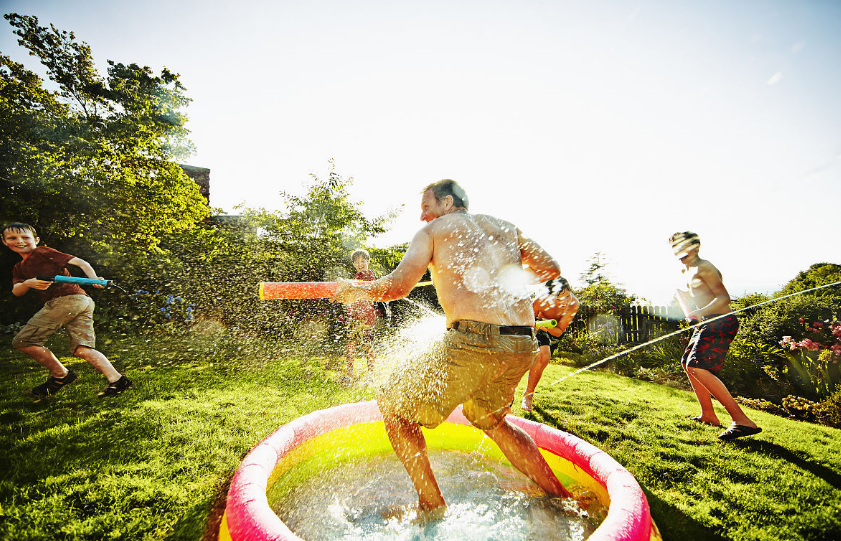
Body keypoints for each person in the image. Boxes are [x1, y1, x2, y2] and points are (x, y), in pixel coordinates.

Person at [333, 179, 571, 513]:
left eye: (426, 207)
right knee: (493, 421)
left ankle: (431, 506)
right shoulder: (505, 228)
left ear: (447, 203)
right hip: (522, 342)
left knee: (392, 405)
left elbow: (399, 286)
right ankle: (562, 498)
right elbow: (550, 270)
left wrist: (358, 289)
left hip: (475, 340)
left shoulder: (433, 232)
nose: (422, 217)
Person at [2, 222, 132, 399]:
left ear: (36, 240)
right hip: (82, 301)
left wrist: (94, 279)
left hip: (67, 301)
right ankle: (117, 380)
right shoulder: (19, 267)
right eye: (12, 238)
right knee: (81, 349)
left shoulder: (41, 252)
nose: (20, 241)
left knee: (23, 341)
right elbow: (17, 291)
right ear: (4, 242)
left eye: (25, 237)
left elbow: (81, 262)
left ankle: (61, 375)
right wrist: (27, 283)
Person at [669, 231, 760, 441]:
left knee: (697, 366)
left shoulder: (705, 267)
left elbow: (723, 298)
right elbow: (699, 296)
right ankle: (708, 415)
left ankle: (741, 420)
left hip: (721, 321)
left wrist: (700, 313)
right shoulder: (686, 270)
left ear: (694, 246)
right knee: (688, 364)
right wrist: (686, 301)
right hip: (707, 322)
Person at [521, 276, 579, 412]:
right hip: (538, 324)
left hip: (554, 330)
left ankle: (528, 391)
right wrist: (538, 324)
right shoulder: (539, 302)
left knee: (543, 360)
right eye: (559, 299)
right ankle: (527, 396)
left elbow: (559, 331)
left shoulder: (573, 304)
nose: (565, 302)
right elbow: (528, 322)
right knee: (543, 355)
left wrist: (547, 325)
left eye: (568, 296)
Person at [343, 248, 377, 383]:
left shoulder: (369, 275)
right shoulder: (356, 277)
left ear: (368, 262)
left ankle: (371, 375)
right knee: (350, 344)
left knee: (367, 346)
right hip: (354, 316)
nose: (360, 264)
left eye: (363, 261)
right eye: (357, 262)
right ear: (353, 264)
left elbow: (361, 289)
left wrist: (347, 285)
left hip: (366, 317)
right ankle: (350, 374)